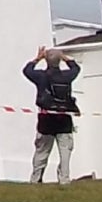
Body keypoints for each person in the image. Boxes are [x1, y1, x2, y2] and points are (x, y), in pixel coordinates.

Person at [22, 44, 80, 184]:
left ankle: (36, 179)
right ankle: (64, 179)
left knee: (42, 151)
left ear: (46, 61)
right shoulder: (67, 76)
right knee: (65, 152)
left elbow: (27, 70)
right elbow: (76, 68)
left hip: (46, 119)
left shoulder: (41, 77)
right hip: (64, 118)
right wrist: (63, 57)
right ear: (59, 61)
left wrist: (38, 58)